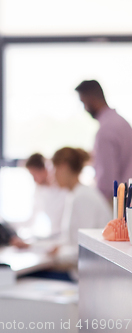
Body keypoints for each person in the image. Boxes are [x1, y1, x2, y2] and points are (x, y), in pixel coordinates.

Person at [51, 147, 111, 278]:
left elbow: (85, 249)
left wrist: (58, 254)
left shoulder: (82, 197)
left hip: (86, 276)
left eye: (54, 169)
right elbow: (72, 240)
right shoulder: (76, 194)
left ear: (63, 167)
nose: (53, 175)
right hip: (81, 271)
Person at [75, 80, 132, 201]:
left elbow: (106, 182)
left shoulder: (105, 131)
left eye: (83, 102)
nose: (84, 109)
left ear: (91, 99)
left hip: (119, 205)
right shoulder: (122, 122)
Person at [24, 153, 67, 238]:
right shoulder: (39, 191)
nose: (34, 180)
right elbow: (32, 219)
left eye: (34, 175)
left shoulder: (63, 188)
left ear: (44, 170)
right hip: (53, 237)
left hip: (65, 238)